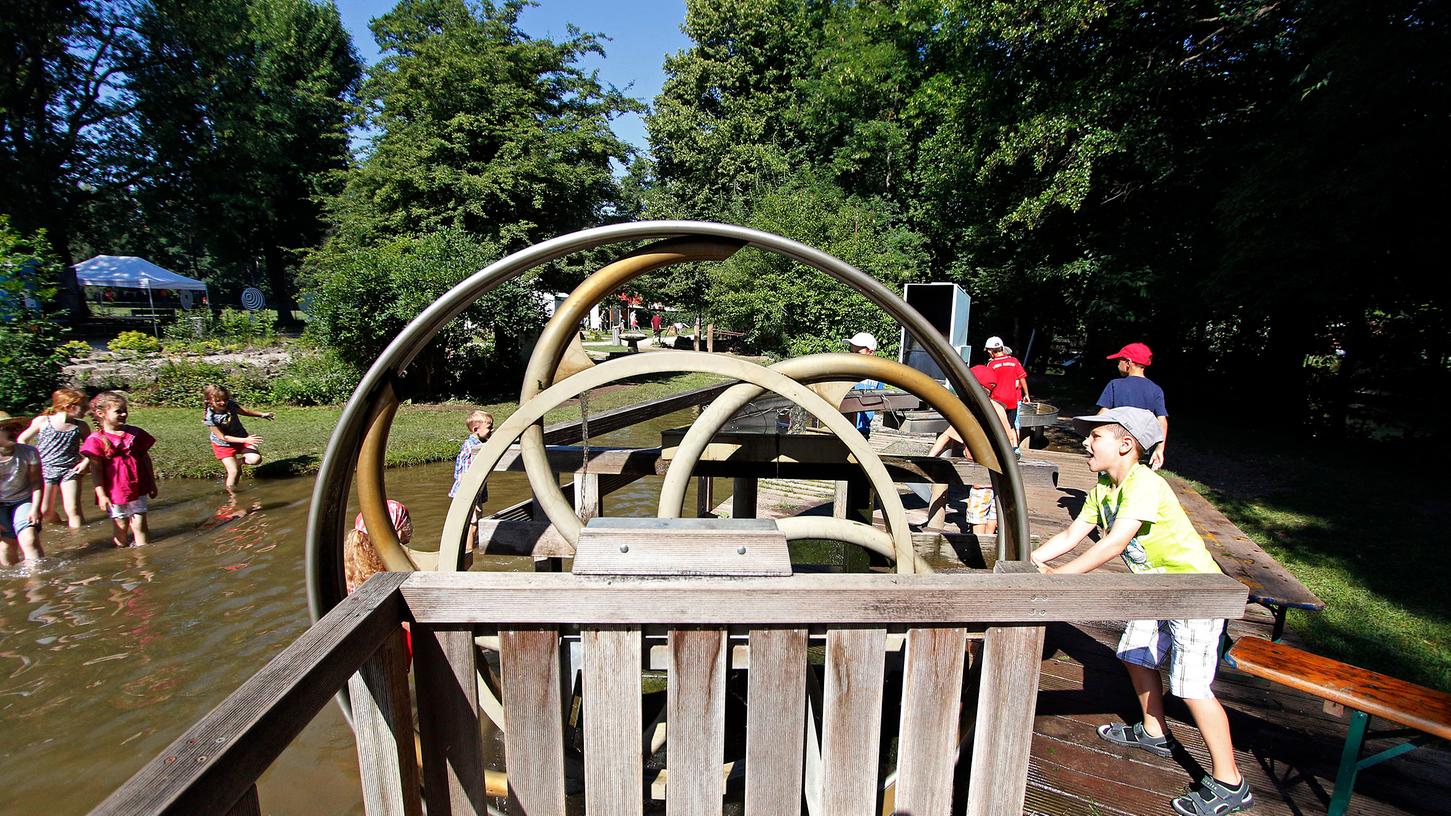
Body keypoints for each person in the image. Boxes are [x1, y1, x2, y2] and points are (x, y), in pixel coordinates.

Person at [1029, 407, 1251, 816]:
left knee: (1191, 687)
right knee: (1134, 655)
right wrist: (1029, 563)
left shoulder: (1145, 483)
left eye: (1095, 436)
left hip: (1193, 594)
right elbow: (1072, 533)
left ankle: (1231, 781)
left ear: (1126, 444)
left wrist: (1058, 579)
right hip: (1153, 591)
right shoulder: (1103, 486)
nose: (1085, 442)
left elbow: (1113, 544)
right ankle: (1154, 730)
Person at [925, 365, 1016, 533]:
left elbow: (946, 436)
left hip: (980, 478)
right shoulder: (998, 408)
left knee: (978, 513)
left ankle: (980, 543)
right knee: (994, 513)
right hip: (1001, 474)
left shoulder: (971, 411)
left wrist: (929, 458)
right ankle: (991, 541)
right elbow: (1011, 437)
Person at [81, 391, 158, 548]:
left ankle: (144, 560)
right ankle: (122, 556)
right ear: (100, 414)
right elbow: (96, 470)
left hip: (138, 487)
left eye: (125, 410)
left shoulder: (135, 434)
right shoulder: (96, 440)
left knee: (140, 525)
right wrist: (101, 495)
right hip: (115, 491)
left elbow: (145, 459)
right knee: (121, 526)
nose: (124, 414)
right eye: (118, 411)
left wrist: (152, 482)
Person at [17, 388, 90, 529]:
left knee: (73, 509)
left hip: (70, 470)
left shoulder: (80, 426)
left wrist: (85, 461)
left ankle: (81, 540)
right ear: (68, 406)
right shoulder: (43, 421)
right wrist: (28, 462)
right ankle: (60, 526)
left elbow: (91, 448)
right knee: (45, 511)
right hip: (45, 470)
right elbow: (22, 439)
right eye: (83, 406)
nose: (86, 410)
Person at [1098, 342, 1169, 470]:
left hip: (1115, 443)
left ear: (1128, 362)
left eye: (1119, 360)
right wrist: (1159, 449)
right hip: (1141, 447)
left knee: (1108, 478)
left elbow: (1103, 414)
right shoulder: (1156, 390)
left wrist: (1092, 435)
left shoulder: (1115, 385)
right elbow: (1162, 421)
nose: (1117, 364)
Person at [202, 384, 274, 492]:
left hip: (241, 438)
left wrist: (261, 414)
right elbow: (222, 437)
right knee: (234, 472)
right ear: (209, 401)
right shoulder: (210, 418)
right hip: (223, 445)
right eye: (218, 401)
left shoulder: (230, 405)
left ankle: (238, 462)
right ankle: (233, 497)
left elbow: (244, 411)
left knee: (255, 459)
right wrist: (245, 440)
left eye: (225, 399)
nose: (223, 403)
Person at [0, 411, 45, 565]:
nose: (14, 432)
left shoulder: (29, 452)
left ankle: (40, 581)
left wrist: (36, 508)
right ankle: (13, 585)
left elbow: (37, 482)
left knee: (30, 539)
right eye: (7, 429)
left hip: (23, 500)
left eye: (15, 428)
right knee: (7, 543)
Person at [983, 336, 1030, 426]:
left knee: (998, 428)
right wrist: (1026, 394)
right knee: (1010, 427)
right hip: (1012, 401)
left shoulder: (991, 364)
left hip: (998, 402)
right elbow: (1022, 378)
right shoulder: (1014, 361)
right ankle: (1013, 440)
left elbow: (988, 383)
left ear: (990, 351)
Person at [449, 410, 494, 505]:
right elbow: (465, 472)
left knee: (478, 514)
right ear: (476, 429)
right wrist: (470, 497)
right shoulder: (470, 446)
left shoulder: (482, 444)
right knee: (472, 518)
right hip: (468, 490)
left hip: (477, 486)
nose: (492, 430)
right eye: (489, 428)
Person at [845, 332, 883, 437]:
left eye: (857, 353)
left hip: (863, 428)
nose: (853, 356)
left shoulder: (879, 373)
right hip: (844, 427)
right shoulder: (847, 369)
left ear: (870, 352)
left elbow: (879, 399)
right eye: (851, 352)